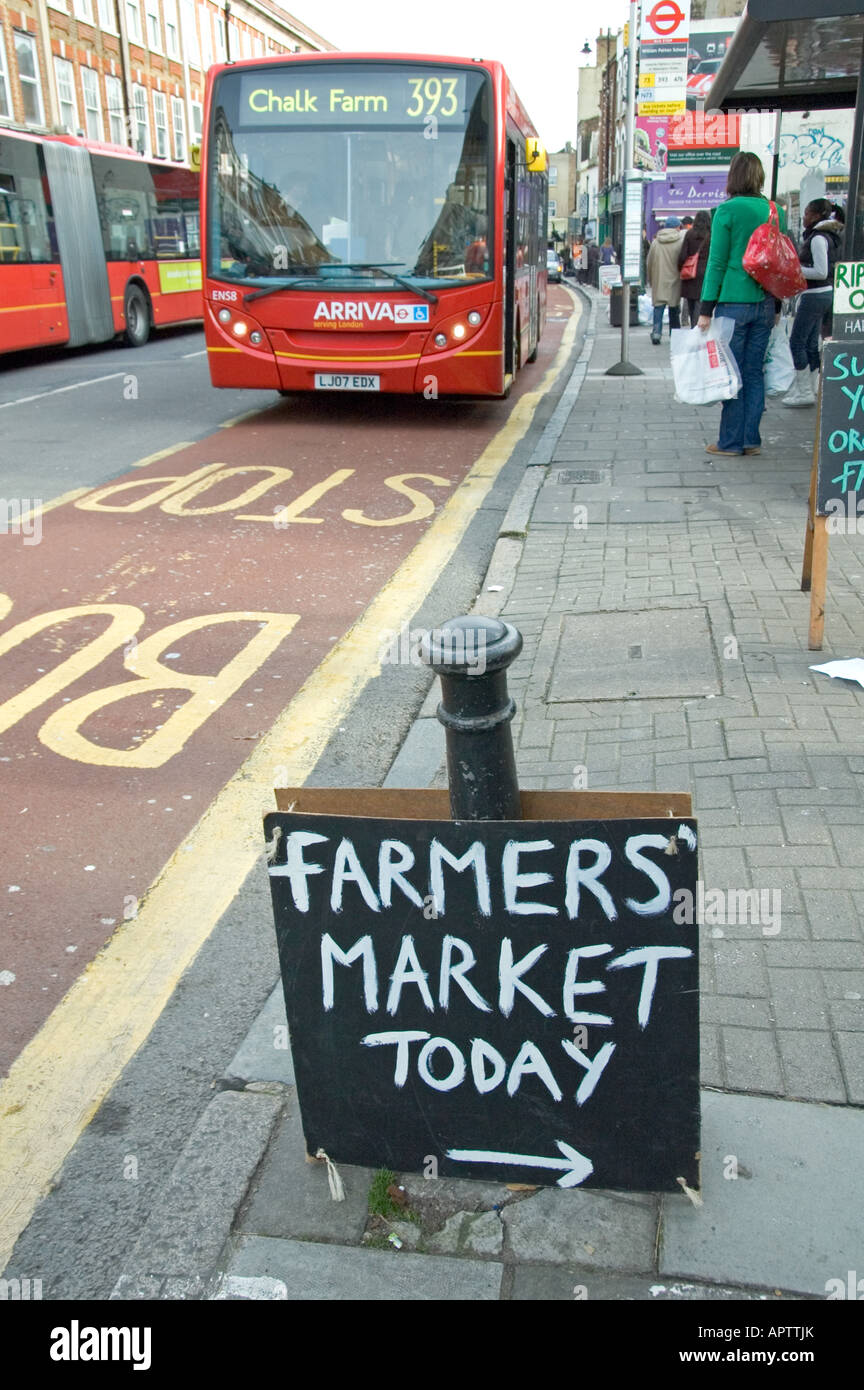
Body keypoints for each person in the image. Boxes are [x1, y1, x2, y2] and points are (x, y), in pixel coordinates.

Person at [696, 151, 786, 457]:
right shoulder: (774, 211)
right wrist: (776, 306)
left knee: (731, 373)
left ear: (733, 176)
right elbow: (778, 263)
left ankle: (730, 442)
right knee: (753, 372)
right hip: (765, 301)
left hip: (733, 302)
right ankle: (751, 439)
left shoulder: (727, 210)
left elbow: (717, 262)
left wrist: (705, 308)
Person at [783, 198, 844, 407]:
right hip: (824, 294)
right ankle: (812, 386)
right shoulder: (828, 236)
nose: (804, 216)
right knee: (810, 343)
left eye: (807, 212)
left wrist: (794, 269)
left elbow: (821, 271)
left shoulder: (817, 238)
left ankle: (804, 391)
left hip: (815, 294)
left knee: (797, 342)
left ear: (817, 215)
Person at [646, 216, 685, 343]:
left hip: (659, 278)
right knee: (674, 308)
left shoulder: (656, 242)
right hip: (675, 278)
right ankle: (675, 334)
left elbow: (649, 262)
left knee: (659, 307)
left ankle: (656, 333)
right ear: (676, 227)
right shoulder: (680, 241)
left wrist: (650, 279)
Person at [677, 209, 711, 328]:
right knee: (702, 305)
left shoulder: (690, 234)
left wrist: (680, 268)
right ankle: (700, 331)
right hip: (707, 274)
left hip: (691, 275)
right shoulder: (711, 235)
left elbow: (682, 256)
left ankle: (694, 329)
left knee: (692, 306)